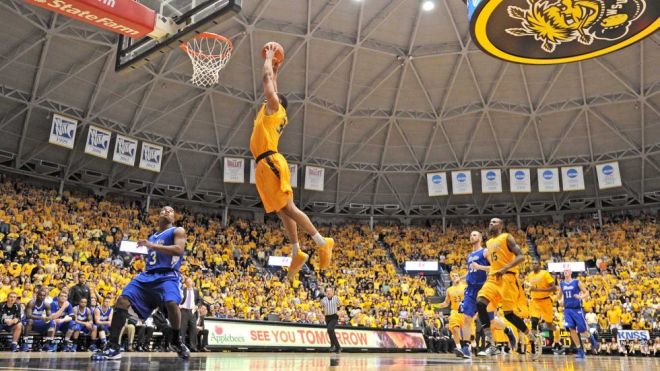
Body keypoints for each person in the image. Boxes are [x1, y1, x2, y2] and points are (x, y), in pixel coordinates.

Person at [250, 43, 334, 281]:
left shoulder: (273, 109)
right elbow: (272, 82)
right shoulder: (275, 112)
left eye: (272, 97)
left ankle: (321, 241)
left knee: (288, 208)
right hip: (264, 165)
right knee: (281, 210)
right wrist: (278, 68)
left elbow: (267, 81)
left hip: (271, 162)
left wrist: (268, 59)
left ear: (277, 102)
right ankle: (297, 250)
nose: (268, 98)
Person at [92, 206, 189, 360]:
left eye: (170, 211)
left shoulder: (178, 231)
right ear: (159, 215)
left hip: (168, 275)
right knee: (122, 301)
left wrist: (152, 246)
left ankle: (176, 340)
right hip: (148, 275)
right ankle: (113, 347)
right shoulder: (151, 237)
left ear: (174, 217)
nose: (166, 211)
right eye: (163, 210)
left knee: (171, 302)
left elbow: (179, 250)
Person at [475, 218, 541, 358]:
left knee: (509, 315)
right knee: (480, 303)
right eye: (490, 221)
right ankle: (492, 343)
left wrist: (505, 268)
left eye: (494, 222)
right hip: (493, 278)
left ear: (501, 225)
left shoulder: (507, 237)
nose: (491, 223)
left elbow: (521, 256)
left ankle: (532, 338)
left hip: (508, 278)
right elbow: (494, 264)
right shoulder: (488, 242)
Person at [457, 231, 490, 357]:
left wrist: (480, 267)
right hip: (470, 289)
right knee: (466, 318)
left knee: (490, 319)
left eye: (475, 235)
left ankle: (506, 332)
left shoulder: (485, 252)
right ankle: (466, 348)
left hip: (482, 288)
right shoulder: (469, 255)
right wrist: (461, 278)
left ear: (481, 238)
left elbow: (495, 268)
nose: (472, 236)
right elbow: (471, 271)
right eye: (470, 235)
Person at [559, 269, 598, 359]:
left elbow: (587, 293)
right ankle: (580, 351)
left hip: (577, 309)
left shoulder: (577, 282)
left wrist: (581, 297)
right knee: (571, 329)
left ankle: (593, 340)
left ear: (571, 272)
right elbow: (559, 296)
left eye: (568, 270)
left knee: (582, 330)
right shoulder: (561, 284)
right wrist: (560, 301)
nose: (566, 272)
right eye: (564, 270)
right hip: (567, 309)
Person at [526, 259, 558, 354]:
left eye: (536, 263)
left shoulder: (545, 274)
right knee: (534, 322)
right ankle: (533, 347)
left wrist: (537, 290)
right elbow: (530, 287)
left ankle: (557, 333)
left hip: (546, 301)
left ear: (540, 265)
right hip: (535, 301)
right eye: (533, 263)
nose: (534, 264)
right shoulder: (530, 275)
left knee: (549, 324)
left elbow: (554, 288)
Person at [437, 272, 468, 358]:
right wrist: (440, 305)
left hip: (465, 311)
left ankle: (467, 348)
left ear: (459, 277)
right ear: (451, 279)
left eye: (456, 275)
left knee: (467, 332)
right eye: (453, 276)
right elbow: (447, 303)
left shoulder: (465, 286)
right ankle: (459, 348)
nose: (454, 277)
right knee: (454, 328)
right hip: (455, 311)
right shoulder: (449, 290)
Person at [23, 286, 56, 352]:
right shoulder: (31, 303)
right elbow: (28, 315)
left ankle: (48, 343)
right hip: (29, 322)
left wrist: (49, 318)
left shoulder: (46, 304)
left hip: (39, 322)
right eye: (40, 295)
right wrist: (41, 318)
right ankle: (25, 343)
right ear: (37, 295)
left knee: (52, 322)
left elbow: (49, 316)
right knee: (30, 321)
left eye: (44, 296)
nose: (42, 297)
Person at [180, 277, 199, 351]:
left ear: (192, 282)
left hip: (192, 311)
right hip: (184, 310)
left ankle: (193, 346)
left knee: (193, 329)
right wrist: (179, 305)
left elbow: (199, 300)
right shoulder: (182, 290)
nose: (189, 283)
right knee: (183, 329)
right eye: (187, 282)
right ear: (185, 283)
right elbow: (178, 298)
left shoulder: (196, 291)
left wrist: (197, 306)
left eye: (190, 282)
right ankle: (182, 346)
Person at [320, 286, 341, 353]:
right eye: (327, 291)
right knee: (330, 331)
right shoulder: (324, 299)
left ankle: (336, 346)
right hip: (327, 317)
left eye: (330, 291)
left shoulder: (336, 298)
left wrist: (339, 311)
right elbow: (321, 307)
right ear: (326, 293)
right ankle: (334, 346)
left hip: (334, 316)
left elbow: (341, 305)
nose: (328, 292)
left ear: (332, 292)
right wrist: (322, 314)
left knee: (330, 329)